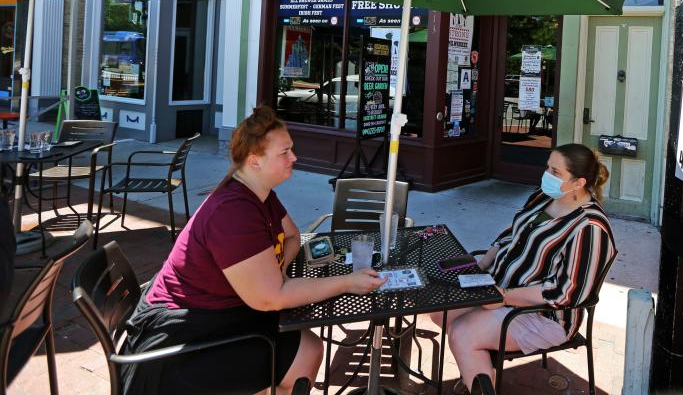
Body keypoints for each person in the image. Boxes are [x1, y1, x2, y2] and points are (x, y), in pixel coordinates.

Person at [120, 107, 385, 395]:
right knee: (306, 351)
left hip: (223, 312)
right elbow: (272, 298)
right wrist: (348, 281)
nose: (293, 158)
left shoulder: (260, 193)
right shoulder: (234, 212)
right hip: (182, 342)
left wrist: (277, 269)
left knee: (307, 346)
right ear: (254, 161)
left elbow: (293, 236)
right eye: (285, 152)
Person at [431, 143, 617, 390]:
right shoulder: (544, 197)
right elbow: (512, 233)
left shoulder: (590, 228)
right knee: (440, 311)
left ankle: (480, 377)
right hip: (498, 288)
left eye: (555, 172)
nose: (546, 176)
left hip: (545, 316)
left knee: (462, 333)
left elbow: (567, 293)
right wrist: (482, 263)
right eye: (547, 167)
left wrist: (506, 298)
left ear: (578, 183)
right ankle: (479, 369)